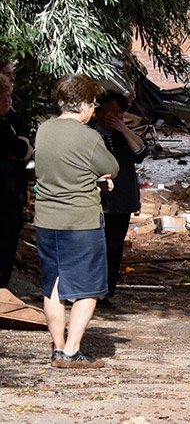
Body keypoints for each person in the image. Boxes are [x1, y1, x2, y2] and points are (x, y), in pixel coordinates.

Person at [35, 74, 119, 368]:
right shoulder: (88, 136)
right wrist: (100, 177)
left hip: (46, 219)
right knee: (89, 288)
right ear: (82, 104)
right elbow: (111, 166)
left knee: (54, 285)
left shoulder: (43, 130)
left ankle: (58, 348)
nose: (95, 111)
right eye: (94, 105)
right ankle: (72, 350)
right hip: (81, 222)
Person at [90, 90, 149, 307]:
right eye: (110, 112)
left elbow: (141, 152)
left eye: (119, 113)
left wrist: (123, 128)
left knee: (115, 248)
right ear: (99, 112)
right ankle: (89, 291)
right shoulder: (91, 134)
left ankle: (106, 292)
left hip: (122, 201)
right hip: (98, 202)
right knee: (95, 246)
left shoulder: (122, 136)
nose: (114, 117)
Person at [0, 64, 33, 288]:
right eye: (2, 97)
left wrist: (23, 146)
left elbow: (26, 137)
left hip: (13, 197)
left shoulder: (8, 117)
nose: (7, 101)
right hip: (3, 194)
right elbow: (20, 148)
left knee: (10, 241)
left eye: (8, 96)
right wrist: (23, 148)